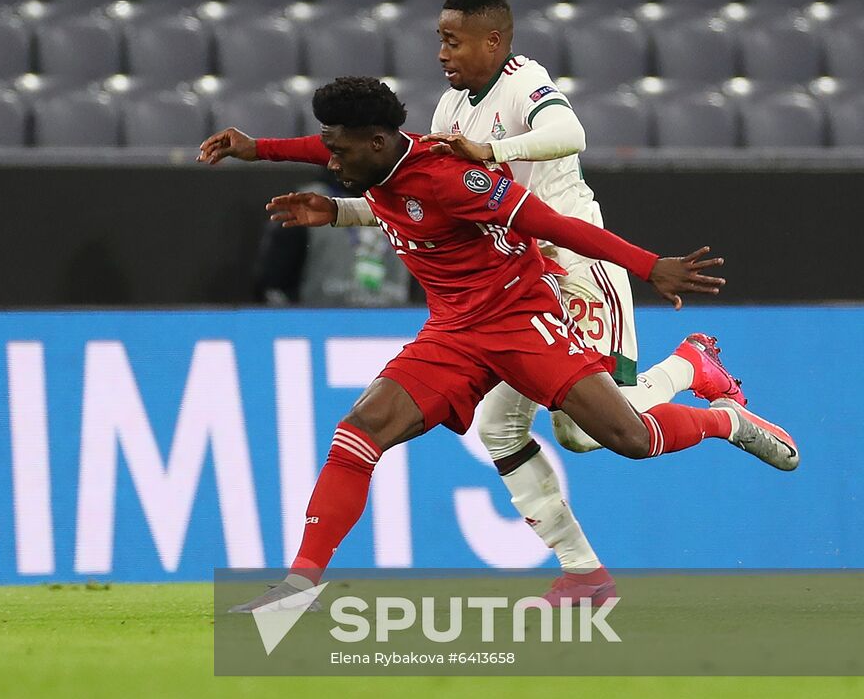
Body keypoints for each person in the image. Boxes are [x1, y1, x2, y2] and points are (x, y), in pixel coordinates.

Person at [197, 76, 799, 613]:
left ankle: (722, 420)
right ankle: (301, 584)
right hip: (454, 332)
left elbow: (554, 225)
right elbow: (323, 147)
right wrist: (258, 148)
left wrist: (649, 266)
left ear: (377, 143)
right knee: (361, 427)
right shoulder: (374, 159)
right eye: (327, 144)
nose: (328, 158)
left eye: (339, 148)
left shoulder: (454, 179)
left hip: (521, 320)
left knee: (626, 439)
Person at [311, 0, 748, 604]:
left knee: (588, 431)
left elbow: (570, 133)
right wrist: (337, 213)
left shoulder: (525, 81)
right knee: (505, 428)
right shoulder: (447, 112)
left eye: (453, 39)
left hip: (576, 264)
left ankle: (688, 371)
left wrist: (494, 150)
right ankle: (585, 574)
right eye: (439, 38)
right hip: (520, 281)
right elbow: (416, 202)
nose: (442, 51)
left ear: (494, 40)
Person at [255, 174, 413, 307]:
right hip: (321, 333)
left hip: (397, 334)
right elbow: (273, 289)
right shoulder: (305, 206)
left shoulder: (411, 206)